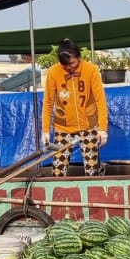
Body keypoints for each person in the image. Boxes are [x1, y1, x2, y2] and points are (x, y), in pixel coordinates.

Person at [41, 37, 108, 177]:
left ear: (78, 57)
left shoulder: (91, 70)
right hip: (63, 127)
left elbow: (100, 100)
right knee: (58, 168)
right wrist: (45, 130)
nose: (69, 67)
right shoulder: (53, 72)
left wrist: (102, 129)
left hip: (88, 126)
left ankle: (92, 195)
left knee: (91, 169)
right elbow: (48, 102)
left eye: (71, 63)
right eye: (65, 65)